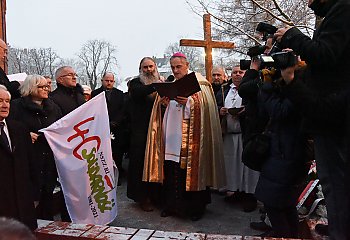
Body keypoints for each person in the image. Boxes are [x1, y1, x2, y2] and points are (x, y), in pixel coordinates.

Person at [274, 0, 350, 239]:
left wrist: (292, 35)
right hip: (332, 117)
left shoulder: (344, 8)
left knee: (336, 186)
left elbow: (324, 54)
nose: (308, 3)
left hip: (334, 120)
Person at [143, 52, 225, 221]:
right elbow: (159, 112)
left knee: (189, 172)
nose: (175, 70)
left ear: (187, 65)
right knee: (172, 172)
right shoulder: (170, 84)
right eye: (173, 67)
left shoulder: (200, 83)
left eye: (178, 67)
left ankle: (193, 209)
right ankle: (171, 206)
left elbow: (205, 108)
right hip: (171, 138)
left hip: (191, 139)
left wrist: (188, 102)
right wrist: (163, 104)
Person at [9, 75, 62, 220]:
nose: (46, 89)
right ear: (31, 87)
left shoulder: (54, 108)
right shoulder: (15, 106)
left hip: (49, 159)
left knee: (47, 195)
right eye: (42, 86)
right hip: (27, 159)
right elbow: (8, 128)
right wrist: (24, 135)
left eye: (47, 86)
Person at [216, 65, 259, 212]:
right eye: (234, 72)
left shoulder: (252, 89)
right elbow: (216, 105)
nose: (237, 75)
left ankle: (249, 195)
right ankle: (235, 191)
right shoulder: (224, 90)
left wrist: (246, 110)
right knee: (232, 165)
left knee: (248, 167)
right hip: (229, 133)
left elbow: (259, 106)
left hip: (247, 133)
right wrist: (219, 110)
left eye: (240, 72)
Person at [126, 57, 163, 211]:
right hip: (140, 132)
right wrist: (157, 86)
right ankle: (142, 198)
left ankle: (157, 196)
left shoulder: (162, 82)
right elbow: (138, 93)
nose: (149, 70)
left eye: (151, 66)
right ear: (140, 69)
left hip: (159, 130)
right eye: (145, 67)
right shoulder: (136, 83)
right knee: (140, 165)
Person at [0, 85, 38, 230]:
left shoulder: (20, 129)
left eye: (7, 101)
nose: (5, 105)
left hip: (22, 207)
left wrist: (34, 195)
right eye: (0, 101)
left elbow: (31, 163)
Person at [50, 66, 85, 221]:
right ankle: (68, 218)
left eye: (75, 74)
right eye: (70, 75)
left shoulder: (79, 95)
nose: (74, 77)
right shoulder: (53, 98)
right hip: (67, 148)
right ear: (60, 79)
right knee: (69, 186)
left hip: (83, 144)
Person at [91, 72, 125, 181]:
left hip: (116, 128)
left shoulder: (120, 94)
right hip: (101, 128)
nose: (109, 83)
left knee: (117, 153)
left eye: (111, 81)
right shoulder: (95, 93)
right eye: (107, 80)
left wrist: (116, 122)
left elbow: (123, 110)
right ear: (102, 80)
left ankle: (116, 177)